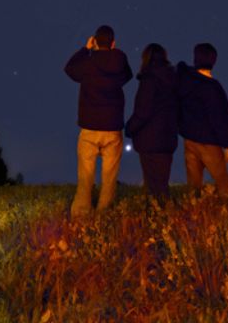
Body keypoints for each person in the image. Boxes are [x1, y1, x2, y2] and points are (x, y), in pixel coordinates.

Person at [64, 24, 133, 217]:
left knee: (85, 175)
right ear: (113, 43)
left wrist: (85, 50)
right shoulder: (120, 61)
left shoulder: (88, 63)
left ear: (94, 41)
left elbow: (69, 69)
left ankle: (82, 212)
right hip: (112, 127)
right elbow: (127, 75)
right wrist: (114, 52)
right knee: (109, 176)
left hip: (89, 128)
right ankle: (105, 211)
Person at [176, 42, 228, 196]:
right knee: (223, 182)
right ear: (213, 61)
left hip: (189, 139)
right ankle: (227, 214)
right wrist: (227, 146)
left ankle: (195, 213)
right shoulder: (212, 88)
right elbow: (221, 118)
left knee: (193, 184)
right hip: (209, 142)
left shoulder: (185, 81)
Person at [124, 43, 179, 203]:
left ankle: (158, 216)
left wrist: (130, 128)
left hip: (149, 140)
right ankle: (165, 215)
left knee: (153, 185)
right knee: (162, 183)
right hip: (168, 138)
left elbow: (143, 110)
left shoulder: (149, 80)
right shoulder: (173, 79)